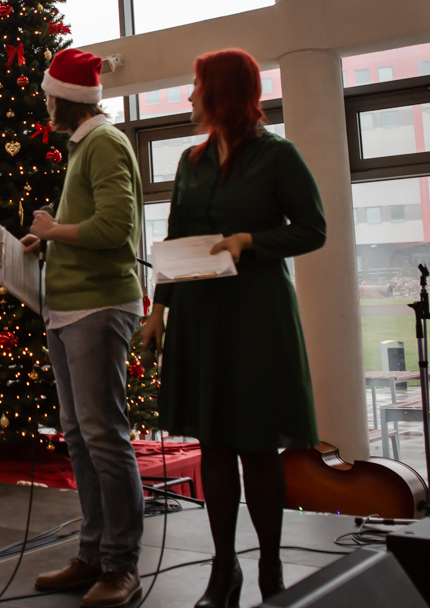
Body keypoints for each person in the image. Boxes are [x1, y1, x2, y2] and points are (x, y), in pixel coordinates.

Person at [139, 48, 326, 606]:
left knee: (258, 447)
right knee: (215, 444)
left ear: (221, 92)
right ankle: (224, 570)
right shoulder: (190, 162)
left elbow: (313, 228)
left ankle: (270, 568)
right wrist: (158, 310)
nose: (191, 96)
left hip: (256, 315)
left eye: (198, 86)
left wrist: (251, 241)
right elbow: (177, 239)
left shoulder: (277, 155)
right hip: (201, 314)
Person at [23, 48, 146, 608]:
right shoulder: (84, 145)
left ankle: (121, 564)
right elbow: (89, 225)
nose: (46, 104)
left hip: (97, 308)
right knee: (80, 436)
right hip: (70, 310)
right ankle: (94, 554)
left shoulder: (104, 143)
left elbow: (115, 229)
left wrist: (54, 230)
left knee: (103, 437)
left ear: (67, 100)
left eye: (50, 96)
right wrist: (47, 238)